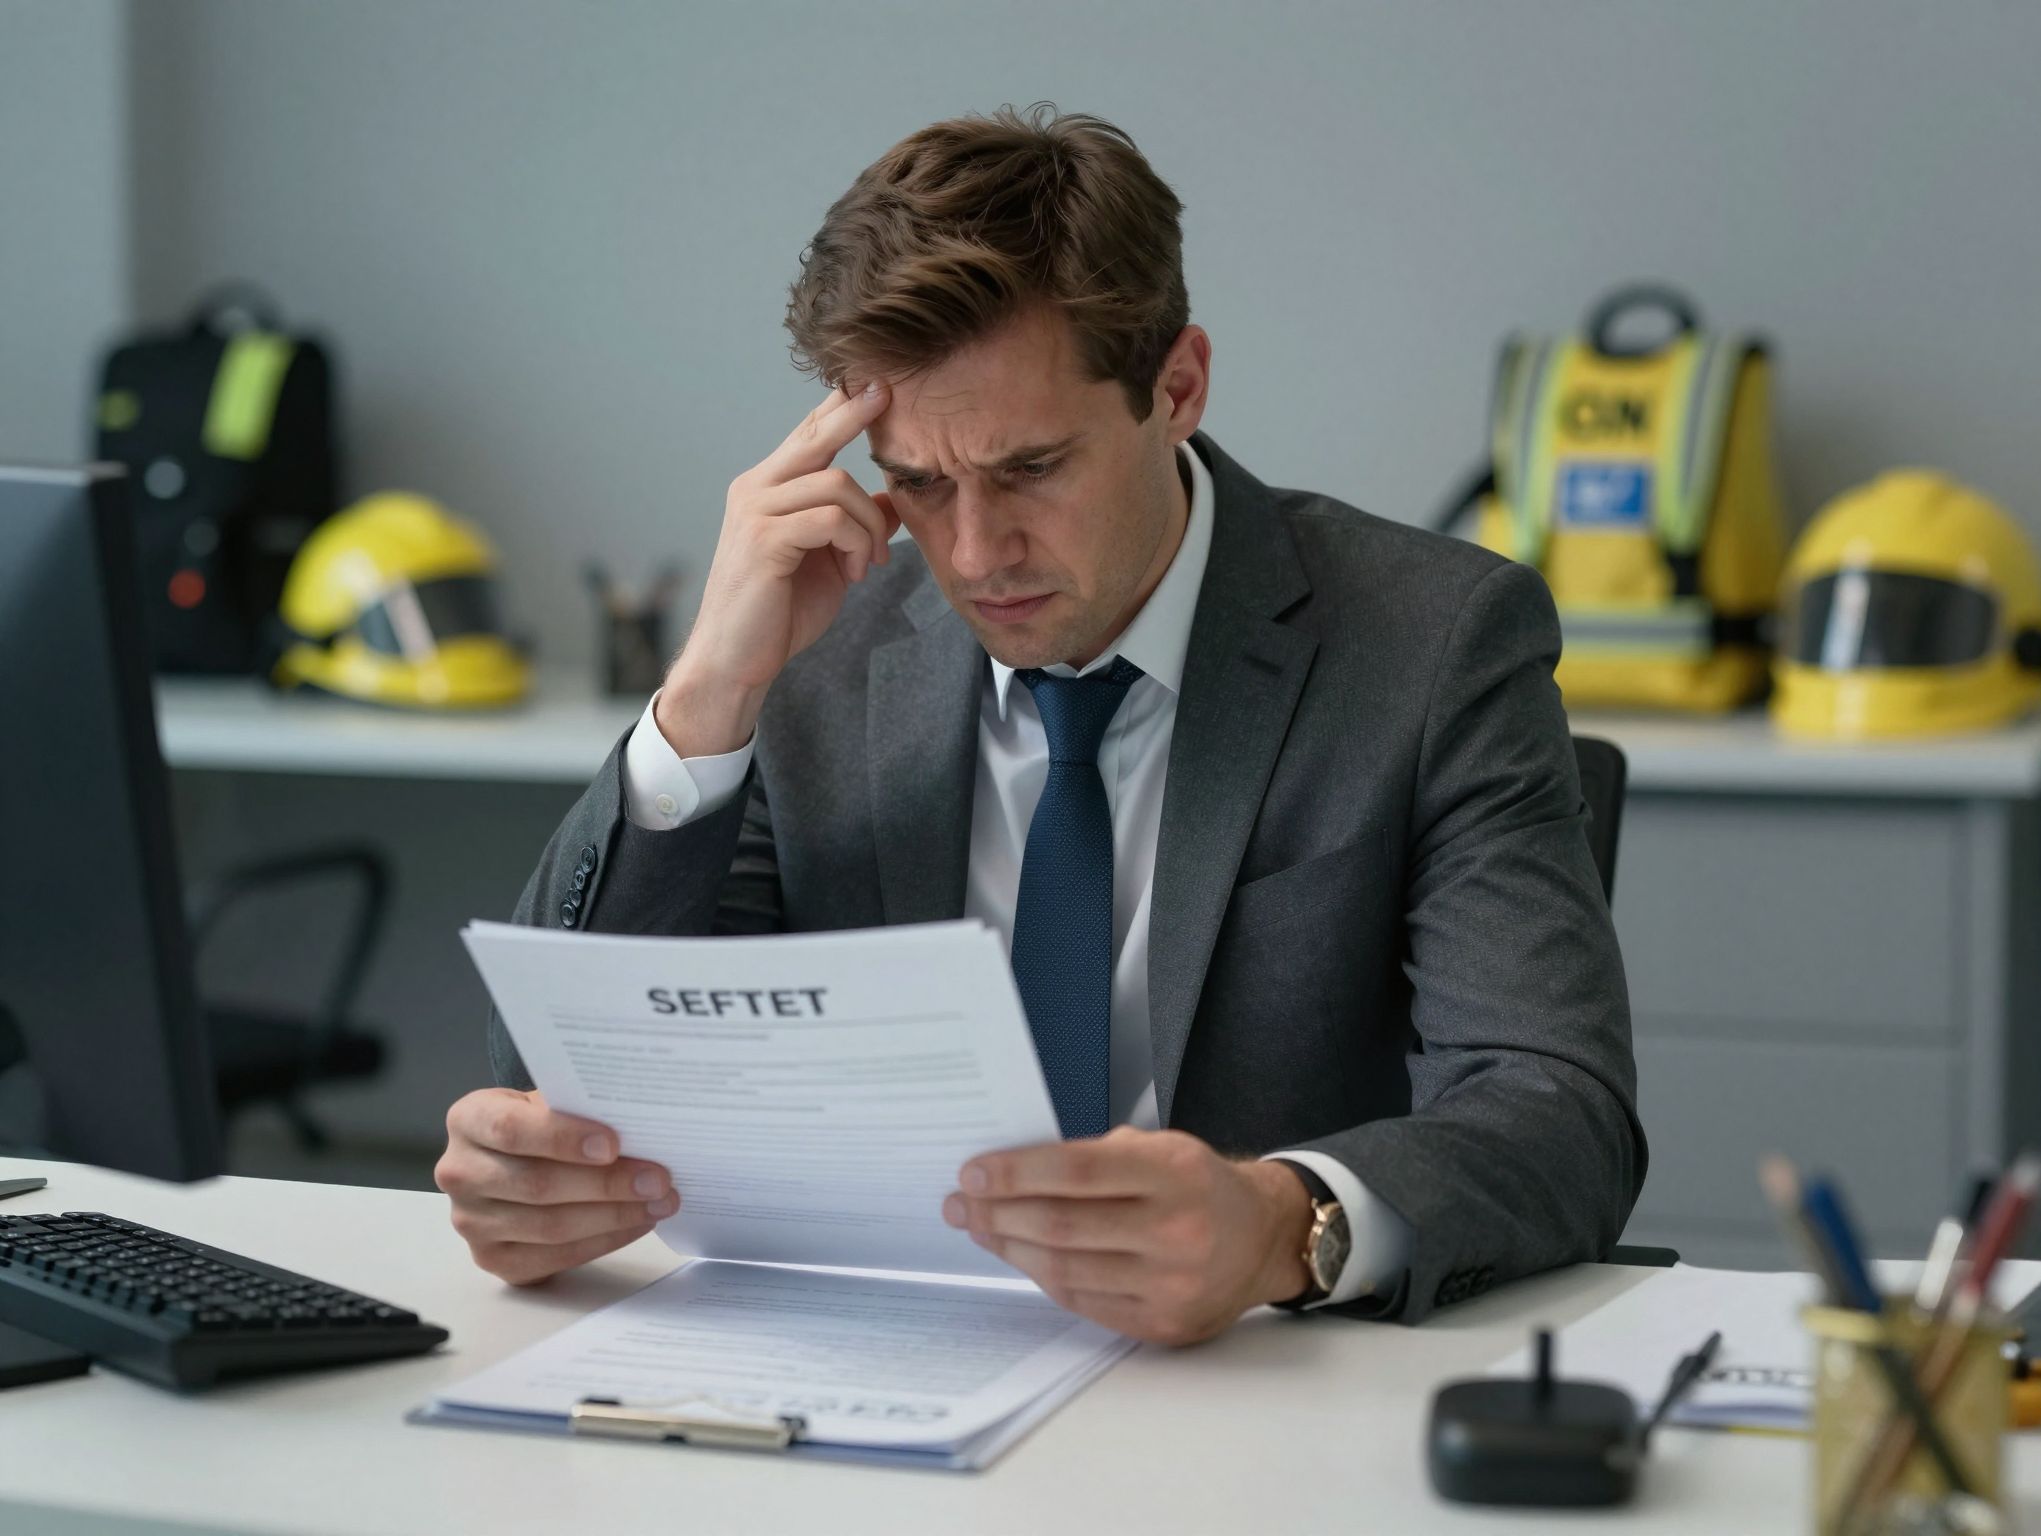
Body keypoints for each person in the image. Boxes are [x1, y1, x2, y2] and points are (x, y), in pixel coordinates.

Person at [435, 104, 1644, 1344]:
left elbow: (1556, 1110)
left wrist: (1286, 1225)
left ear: (1175, 387)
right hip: (883, 1359)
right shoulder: (818, 638)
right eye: (916, 481)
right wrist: (703, 702)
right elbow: (564, 1072)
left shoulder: (1432, 644)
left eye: (1029, 470)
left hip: (1256, 1384)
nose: (973, 553)